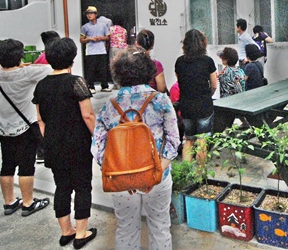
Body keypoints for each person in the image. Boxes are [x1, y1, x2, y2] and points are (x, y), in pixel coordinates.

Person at [92, 48, 180, 249]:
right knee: (160, 227)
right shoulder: (161, 100)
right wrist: (155, 173)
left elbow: (98, 149)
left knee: (126, 228)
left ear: (117, 74)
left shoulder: (109, 105)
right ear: (148, 71)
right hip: (158, 177)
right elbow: (174, 142)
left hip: (122, 181)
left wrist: (122, 174)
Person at [32, 38, 97, 248]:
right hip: (78, 144)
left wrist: (50, 137)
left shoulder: (41, 86)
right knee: (82, 186)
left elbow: (40, 119)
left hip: (53, 145)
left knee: (61, 187)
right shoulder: (76, 82)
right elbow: (88, 116)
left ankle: (65, 231)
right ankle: (80, 233)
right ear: (73, 57)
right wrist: (98, 138)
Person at [0, 39, 51, 217]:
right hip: (26, 125)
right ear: (20, 56)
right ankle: (28, 203)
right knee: (27, 165)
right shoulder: (27, 73)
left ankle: (9, 202)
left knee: (7, 164)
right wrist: (21, 65)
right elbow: (49, 69)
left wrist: (6, 63)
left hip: (3, 127)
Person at [174, 29, 217, 161]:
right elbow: (214, 85)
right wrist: (207, 95)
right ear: (203, 43)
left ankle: (186, 173)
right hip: (204, 105)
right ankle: (200, 175)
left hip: (186, 106)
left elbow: (180, 81)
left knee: (189, 139)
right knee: (202, 141)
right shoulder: (208, 61)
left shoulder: (179, 62)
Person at [32, 30, 60, 164]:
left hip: (43, 93)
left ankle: (42, 152)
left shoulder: (41, 58)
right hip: (50, 95)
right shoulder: (52, 57)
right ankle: (43, 152)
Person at [79, 6, 111, 94]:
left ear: (96, 14)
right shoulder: (84, 27)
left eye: (91, 13)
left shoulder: (103, 25)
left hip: (101, 50)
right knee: (90, 70)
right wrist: (90, 39)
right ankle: (90, 86)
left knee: (103, 69)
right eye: (87, 14)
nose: (89, 15)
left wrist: (101, 38)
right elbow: (81, 40)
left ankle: (104, 86)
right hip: (90, 51)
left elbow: (108, 37)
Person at [135, 29, 167, 94]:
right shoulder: (155, 64)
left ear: (137, 44)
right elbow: (161, 88)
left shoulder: (129, 63)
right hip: (151, 100)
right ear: (153, 44)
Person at [109, 17, 128, 89]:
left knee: (113, 65)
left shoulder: (111, 29)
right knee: (122, 65)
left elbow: (108, 38)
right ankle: (123, 82)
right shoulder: (124, 30)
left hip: (114, 48)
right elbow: (126, 39)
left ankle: (116, 83)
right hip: (123, 48)